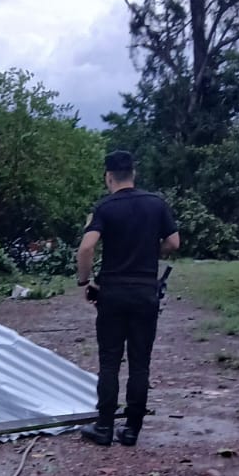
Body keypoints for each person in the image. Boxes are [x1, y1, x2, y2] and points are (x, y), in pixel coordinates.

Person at [75, 150, 180, 447]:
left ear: (109, 176)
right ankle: (132, 430)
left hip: (113, 293)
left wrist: (86, 281)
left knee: (109, 361)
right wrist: (151, 250)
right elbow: (174, 242)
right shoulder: (156, 204)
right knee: (140, 362)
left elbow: (86, 249)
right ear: (134, 173)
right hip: (146, 292)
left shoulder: (105, 207)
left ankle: (104, 427)